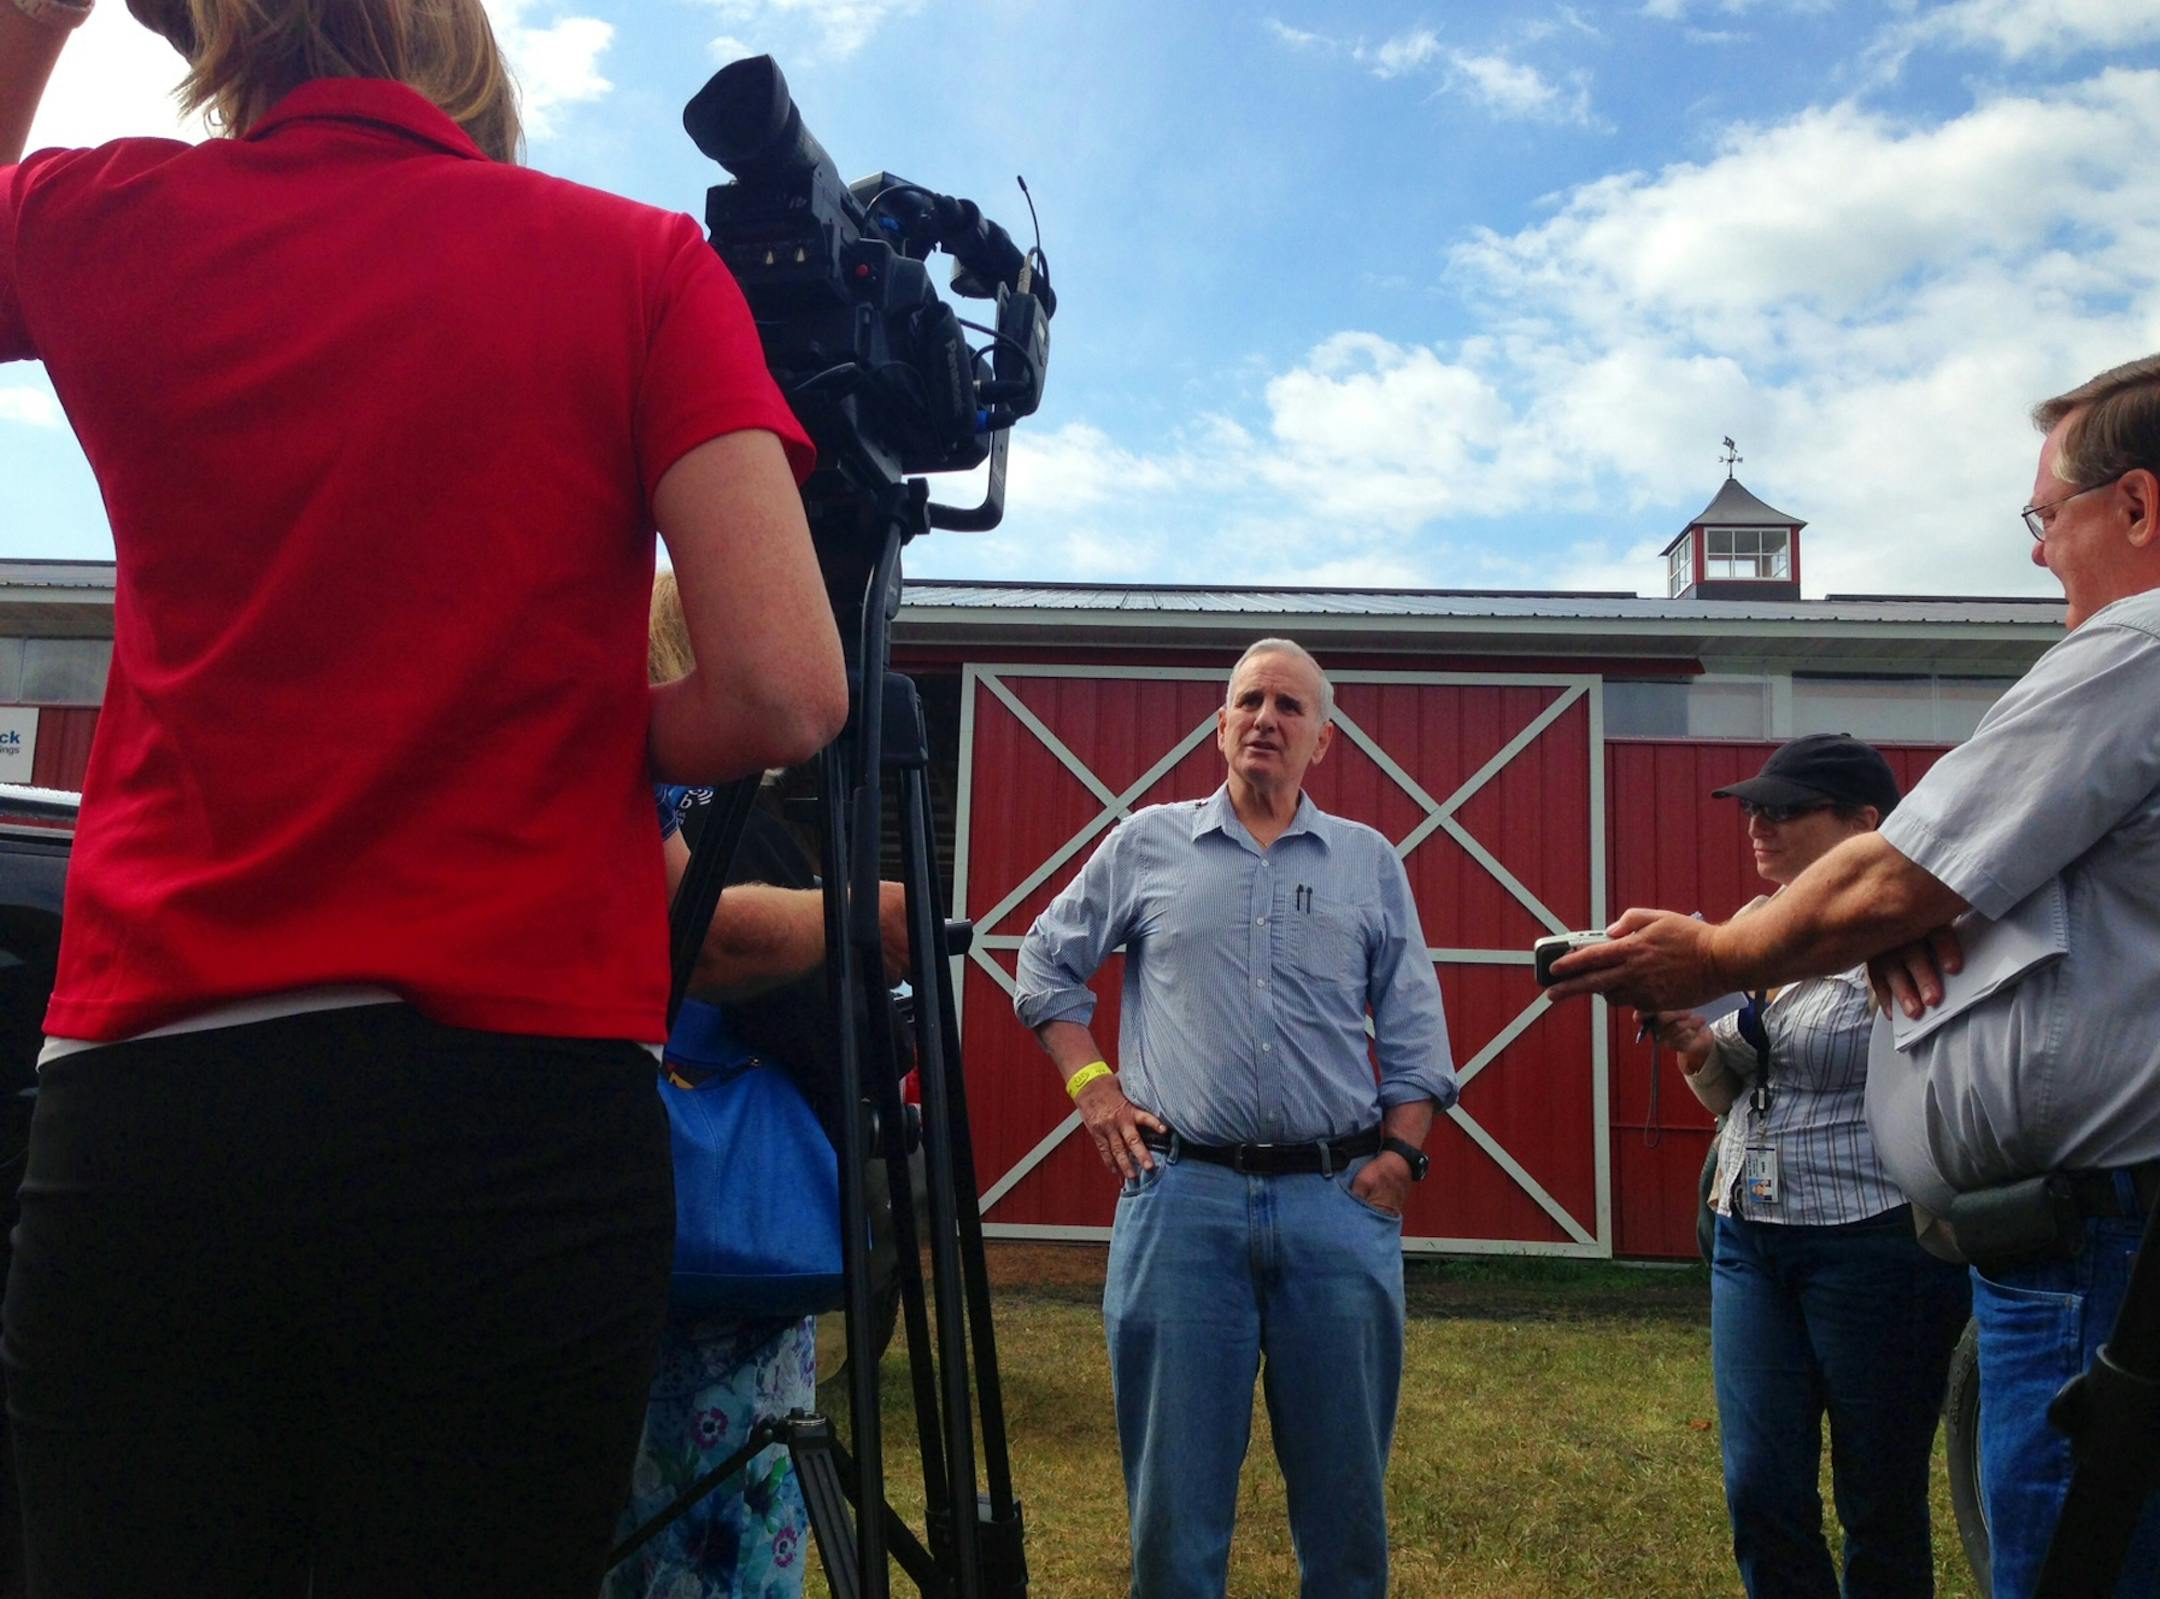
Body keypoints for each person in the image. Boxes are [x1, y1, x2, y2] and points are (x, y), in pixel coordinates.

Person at [0, 4, 847, 1594]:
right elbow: (786, 686)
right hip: (512, 1132)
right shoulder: (639, 262)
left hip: (158, 1118)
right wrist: (560, 723)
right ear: (460, 57)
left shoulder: (102, 219)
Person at [1549, 355, 2160, 1597]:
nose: (2039, 555)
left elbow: (1901, 880)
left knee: (2041, 1551)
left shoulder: (2137, 646)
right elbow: (1914, 893)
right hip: (1987, 1239)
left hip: (2069, 1243)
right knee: (1778, 1487)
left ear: (2138, 508)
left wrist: (1781, 934)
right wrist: (1875, 920)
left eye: (2046, 519)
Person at [1013, 637, 1457, 1599]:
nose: (1266, 717)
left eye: (1290, 705)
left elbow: (1418, 1030)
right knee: (1174, 1515)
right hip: (1181, 1203)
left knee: (1346, 1516)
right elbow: (1043, 966)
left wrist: (1398, 1162)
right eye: (1249, 700)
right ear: (1220, 726)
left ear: (1322, 740)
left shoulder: (1369, 864)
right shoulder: (1147, 844)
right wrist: (1091, 1082)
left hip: (1336, 1209)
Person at [605, 573, 906, 1599]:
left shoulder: (591, 774)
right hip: (721, 1277)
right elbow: (759, 982)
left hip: (578, 1249)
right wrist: (862, 929)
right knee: (716, 1538)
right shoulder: (724, 824)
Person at [1645, 735, 1969, 1598]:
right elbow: (1747, 1086)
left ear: (1866, 824)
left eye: (1785, 808)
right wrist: (1696, 1045)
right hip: (1751, 1234)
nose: (1758, 823)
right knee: (1762, 1489)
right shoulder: (1760, 930)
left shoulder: (1917, 934)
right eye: (1754, 807)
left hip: (1875, 1242)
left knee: (1880, 1500)